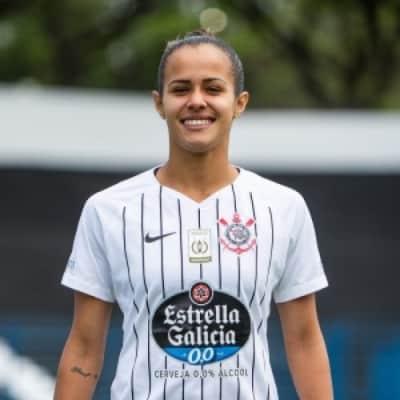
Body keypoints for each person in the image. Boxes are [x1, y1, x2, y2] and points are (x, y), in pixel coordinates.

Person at [54, 29, 333, 400]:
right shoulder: (108, 210)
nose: (197, 101)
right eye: (181, 89)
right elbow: (84, 347)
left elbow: (304, 340)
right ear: (159, 103)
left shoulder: (282, 207)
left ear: (240, 103)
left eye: (213, 88)